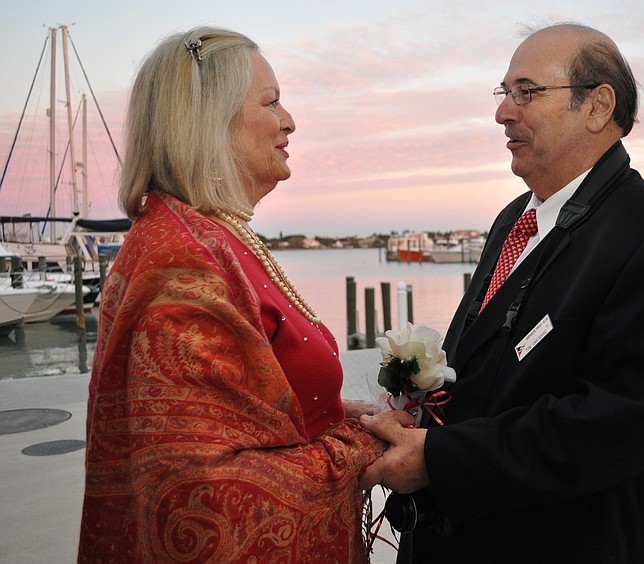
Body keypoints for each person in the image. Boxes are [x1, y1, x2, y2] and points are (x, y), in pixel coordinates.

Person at [359, 22, 644, 563]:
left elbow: (617, 426)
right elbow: (485, 373)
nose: (503, 112)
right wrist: (415, 421)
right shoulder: (514, 220)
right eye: (504, 93)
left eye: (525, 92)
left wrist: (440, 460)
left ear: (598, 106)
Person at [78, 27, 406, 563]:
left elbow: (240, 404)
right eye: (271, 101)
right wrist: (364, 447)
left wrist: (339, 414)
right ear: (210, 120)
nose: (290, 120)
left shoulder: (212, 237)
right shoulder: (183, 261)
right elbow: (207, 491)